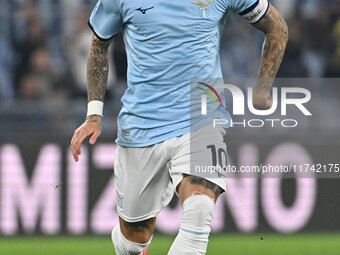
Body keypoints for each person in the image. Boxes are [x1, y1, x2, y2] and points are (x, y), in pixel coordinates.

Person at [71, 0, 288, 254]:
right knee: (135, 238)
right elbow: (99, 45)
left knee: (200, 210)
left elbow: (277, 25)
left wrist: (262, 88)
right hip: (141, 126)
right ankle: (126, 242)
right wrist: (94, 115)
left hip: (202, 119)